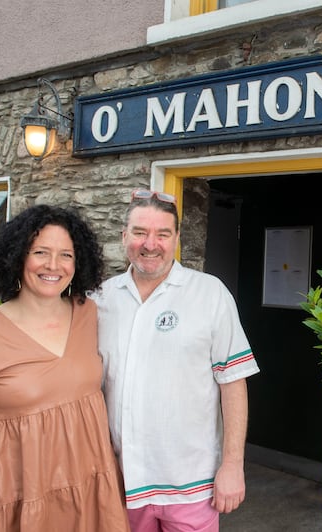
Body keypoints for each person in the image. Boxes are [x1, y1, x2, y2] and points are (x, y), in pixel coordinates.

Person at [0, 204, 130, 532]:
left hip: (92, 497)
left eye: (66, 255)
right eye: (40, 252)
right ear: (16, 256)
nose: (53, 265)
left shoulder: (90, 316)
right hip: (20, 502)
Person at [92, 189, 260, 531]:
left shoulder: (209, 293)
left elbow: (233, 382)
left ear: (177, 239)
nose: (150, 244)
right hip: (121, 482)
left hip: (191, 485)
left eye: (162, 234)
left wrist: (232, 465)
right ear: (124, 236)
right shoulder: (99, 299)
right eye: (140, 232)